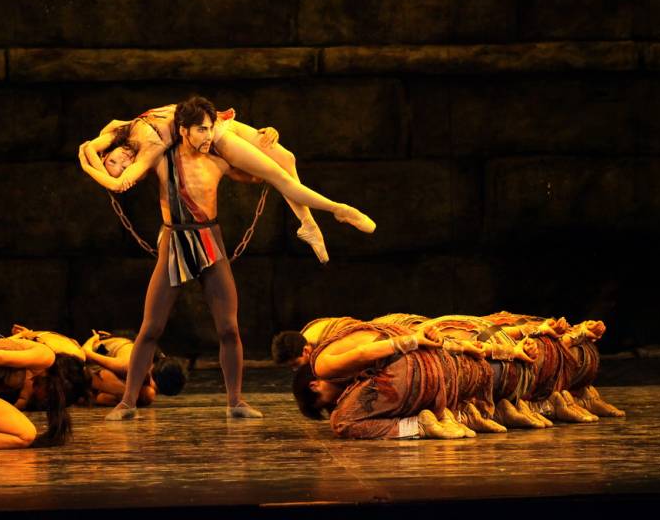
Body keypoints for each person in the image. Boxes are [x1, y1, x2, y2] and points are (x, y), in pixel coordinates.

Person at [103, 97, 263, 421]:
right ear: (183, 130)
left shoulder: (217, 159)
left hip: (209, 241)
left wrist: (266, 143)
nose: (207, 135)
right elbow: (123, 160)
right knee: (151, 327)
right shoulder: (163, 158)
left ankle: (235, 401)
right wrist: (99, 159)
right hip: (175, 241)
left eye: (210, 128)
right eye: (200, 129)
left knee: (229, 327)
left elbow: (256, 174)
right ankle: (127, 402)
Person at [79, 99, 377, 264]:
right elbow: (117, 184)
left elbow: (92, 144)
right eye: (122, 167)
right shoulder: (148, 151)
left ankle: (307, 224)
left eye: (113, 161)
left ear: (108, 152)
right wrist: (90, 167)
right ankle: (337, 209)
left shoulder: (121, 131)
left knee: (287, 158)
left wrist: (89, 154)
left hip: (216, 120)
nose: (122, 162)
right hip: (214, 135)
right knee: (279, 176)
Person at [293, 319, 470, 439]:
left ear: (314, 385)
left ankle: (419, 426)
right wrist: (462, 347)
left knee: (341, 422)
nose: (333, 403)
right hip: (436, 370)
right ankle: (458, 416)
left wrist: (412, 341)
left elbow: (362, 352)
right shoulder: (342, 348)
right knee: (368, 406)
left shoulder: (321, 366)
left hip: (407, 365)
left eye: (325, 402)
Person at [81, 330, 187, 406]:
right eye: (158, 389)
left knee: (147, 394)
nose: (157, 392)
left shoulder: (159, 359)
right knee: (147, 395)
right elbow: (86, 353)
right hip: (91, 364)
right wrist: (93, 339)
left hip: (116, 363)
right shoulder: (128, 364)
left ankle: (102, 396)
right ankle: (91, 396)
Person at [271, 316, 361, 368]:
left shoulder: (328, 348)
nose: (295, 369)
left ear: (306, 351)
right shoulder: (302, 339)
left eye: (296, 364)